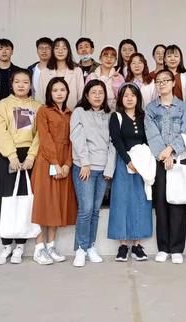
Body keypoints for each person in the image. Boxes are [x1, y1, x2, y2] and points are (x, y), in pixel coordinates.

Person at [0, 69, 42, 265]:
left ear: (31, 85)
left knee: (25, 200)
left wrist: (31, 156)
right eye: (17, 82)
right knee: (7, 199)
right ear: (12, 84)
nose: (21, 85)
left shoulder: (37, 107)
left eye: (25, 82)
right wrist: (11, 155)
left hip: (29, 156)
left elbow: (40, 134)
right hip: (8, 156)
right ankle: (6, 244)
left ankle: (20, 245)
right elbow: (1, 132)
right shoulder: (3, 105)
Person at [145, 70, 186, 264]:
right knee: (161, 204)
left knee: (177, 204)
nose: (162, 84)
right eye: (158, 81)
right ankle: (163, 248)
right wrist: (163, 155)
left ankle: (177, 249)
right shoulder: (150, 108)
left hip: (179, 159)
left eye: (166, 80)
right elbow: (151, 134)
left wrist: (171, 152)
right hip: (159, 162)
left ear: (173, 83)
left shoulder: (183, 107)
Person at [31, 77, 77, 264]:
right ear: (49, 93)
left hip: (65, 161)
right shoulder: (43, 111)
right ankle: (39, 248)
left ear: (67, 92)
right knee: (43, 204)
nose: (59, 93)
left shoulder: (71, 113)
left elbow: (73, 140)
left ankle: (51, 246)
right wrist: (55, 163)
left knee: (56, 204)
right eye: (55, 90)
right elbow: (45, 138)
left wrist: (67, 164)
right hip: (46, 161)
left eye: (62, 90)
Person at [70, 80, 115, 267]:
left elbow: (113, 142)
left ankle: (90, 246)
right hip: (85, 168)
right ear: (87, 95)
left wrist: (109, 168)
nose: (97, 95)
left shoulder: (110, 115)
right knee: (86, 210)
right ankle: (80, 249)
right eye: (93, 92)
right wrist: (85, 163)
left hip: (103, 169)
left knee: (95, 210)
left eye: (100, 92)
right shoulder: (79, 112)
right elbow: (77, 138)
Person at [108, 83, 152, 262]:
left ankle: (137, 245)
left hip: (142, 163)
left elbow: (149, 139)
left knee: (140, 201)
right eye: (125, 95)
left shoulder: (144, 116)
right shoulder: (116, 116)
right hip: (123, 162)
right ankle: (123, 245)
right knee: (121, 201)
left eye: (132, 95)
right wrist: (128, 161)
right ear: (120, 98)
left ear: (138, 98)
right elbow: (116, 140)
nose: (129, 98)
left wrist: (142, 162)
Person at [37, 37, 84, 109]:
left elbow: (81, 96)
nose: (60, 51)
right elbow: (40, 98)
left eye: (64, 48)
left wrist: (77, 113)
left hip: (72, 113)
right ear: (52, 51)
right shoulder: (44, 72)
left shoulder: (77, 71)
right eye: (57, 48)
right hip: (49, 114)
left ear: (68, 51)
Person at [86, 46, 125, 111]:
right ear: (100, 58)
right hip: (93, 112)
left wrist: (116, 82)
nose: (109, 59)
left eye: (112, 57)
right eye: (106, 56)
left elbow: (122, 98)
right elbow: (86, 96)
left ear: (115, 60)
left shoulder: (119, 77)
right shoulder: (91, 76)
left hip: (112, 112)